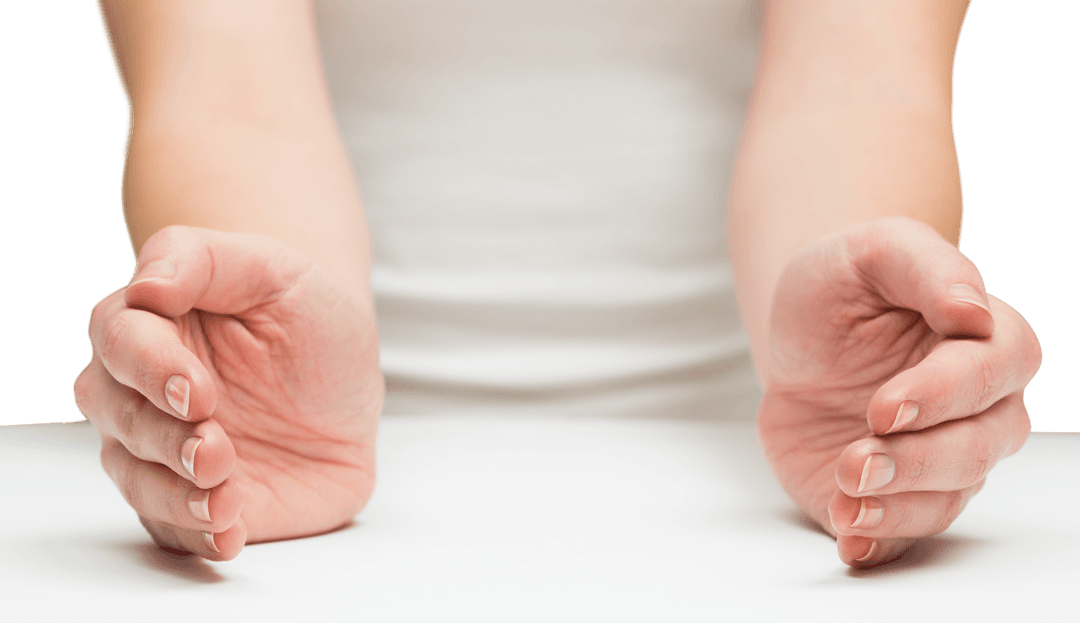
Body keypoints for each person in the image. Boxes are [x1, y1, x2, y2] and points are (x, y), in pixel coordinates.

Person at [74, 0, 1042, 570]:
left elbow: (862, 84)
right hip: (299, 481)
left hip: (766, 495)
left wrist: (866, 345)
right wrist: (254, 351)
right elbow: (223, 94)